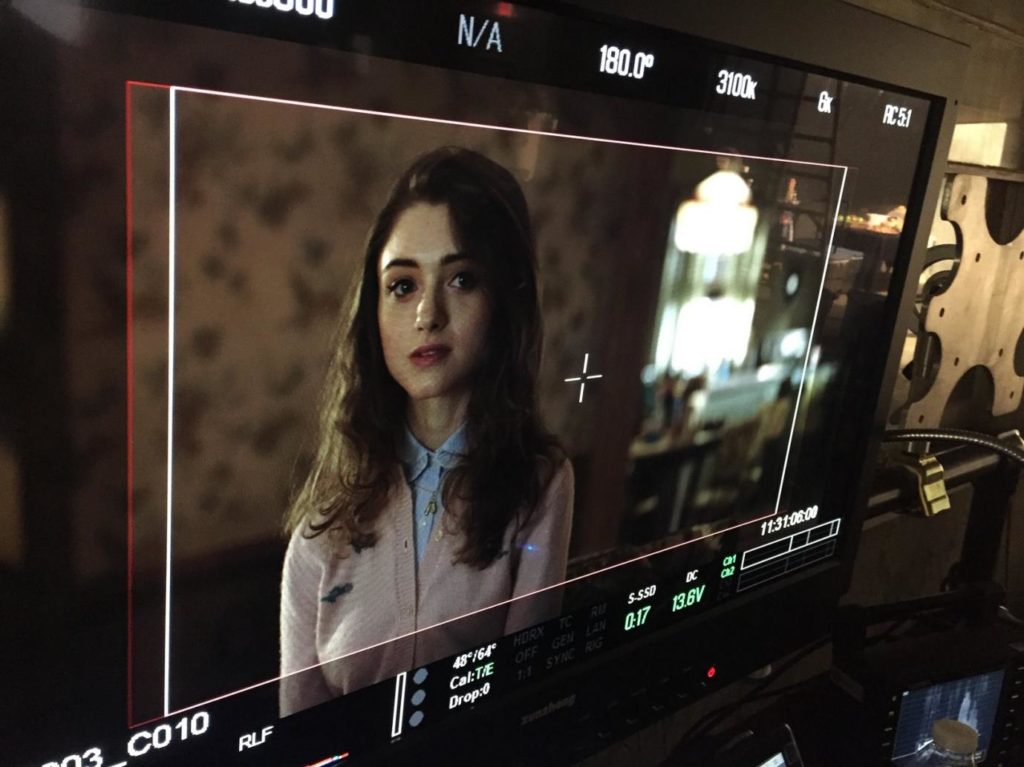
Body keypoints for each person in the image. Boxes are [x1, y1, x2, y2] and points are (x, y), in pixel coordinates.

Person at [279, 147, 574, 716]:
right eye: (402, 286)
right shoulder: (324, 522)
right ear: (374, 311)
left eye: (461, 279)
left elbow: (520, 696)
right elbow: (300, 726)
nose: (428, 315)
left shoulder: (539, 482)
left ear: (503, 300)